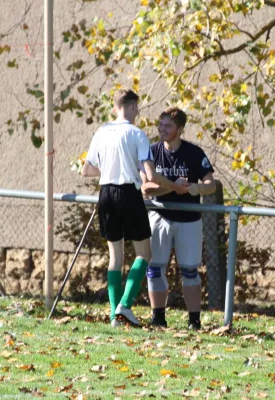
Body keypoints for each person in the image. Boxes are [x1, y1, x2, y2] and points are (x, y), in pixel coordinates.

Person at [82, 89, 187, 327]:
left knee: (115, 258)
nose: (138, 112)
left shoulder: (101, 132)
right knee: (144, 254)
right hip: (128, 193)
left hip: (105, 193)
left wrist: (111, 167)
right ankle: (125, 306)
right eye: (137, 108)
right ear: (129, 107)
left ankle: (113, 315)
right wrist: (175, 186)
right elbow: (150, 174)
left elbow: (87, 170)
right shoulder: (137, 134)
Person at [141, 107, 216, 330]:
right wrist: (175, 188)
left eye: (168, 126)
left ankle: (194, 320)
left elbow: (210, 185)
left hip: (189, 220)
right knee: (154, 268)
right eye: (160, 125)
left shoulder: (194, 153)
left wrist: (194, 188)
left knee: (190, 271)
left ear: (180, 129)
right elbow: (146, 188)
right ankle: (158, 318)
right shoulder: (151, 151)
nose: (162, 130)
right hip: (159, 216)